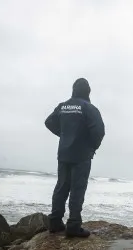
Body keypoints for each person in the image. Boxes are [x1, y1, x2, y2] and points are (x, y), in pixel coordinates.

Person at [44, 78, 105, 237]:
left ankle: (55, 223)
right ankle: (73, 226)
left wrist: (64, 135)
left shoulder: (63, 106)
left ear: (73, 89)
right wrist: (91, 146)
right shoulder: (89, 108)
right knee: (77, 189)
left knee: (61, 187)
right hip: (82, 155)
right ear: (88, 92)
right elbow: (99, 131)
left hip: (64, 153)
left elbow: (49, 122)